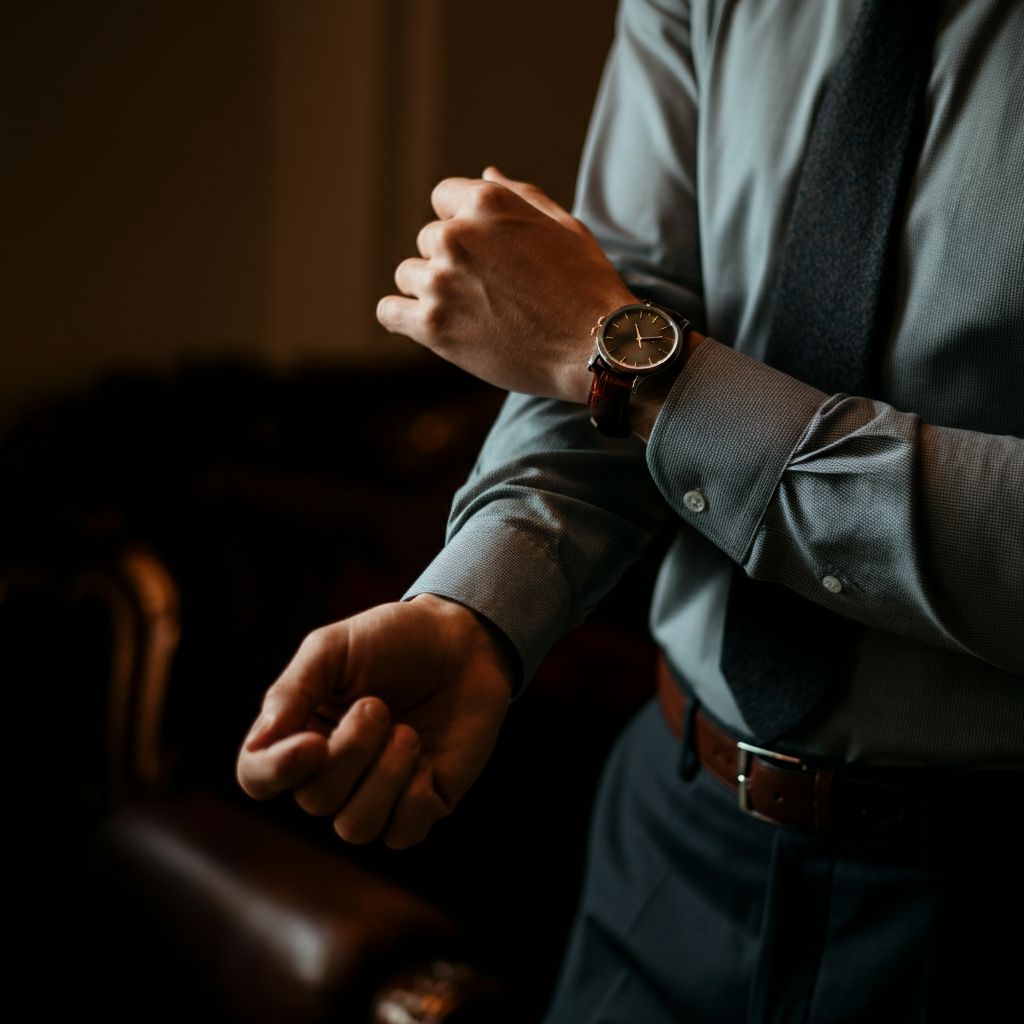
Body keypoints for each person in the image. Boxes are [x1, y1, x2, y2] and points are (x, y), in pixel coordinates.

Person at [237, 0, 1023, 1019]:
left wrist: (648, 374)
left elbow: (610, 346)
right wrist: (474, 610)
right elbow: (619, 330)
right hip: (665, 843)